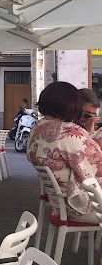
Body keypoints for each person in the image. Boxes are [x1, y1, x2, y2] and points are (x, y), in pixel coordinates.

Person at [27, 81, 102, 222]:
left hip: (59, 204)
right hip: (81, 206)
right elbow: (98, 169)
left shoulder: (37, 129)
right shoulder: (69, 132)